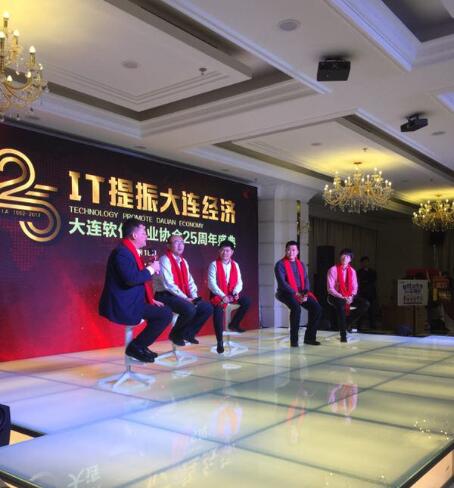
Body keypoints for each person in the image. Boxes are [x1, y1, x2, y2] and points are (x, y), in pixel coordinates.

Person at [99, 218, 173, 363]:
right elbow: (131, 279)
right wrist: (151, 269)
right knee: (164, 314)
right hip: (124, 305)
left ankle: (140, 346)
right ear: (134, 235)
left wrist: (150, 299)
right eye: (144, 233)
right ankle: (137, 346)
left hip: (133, 301)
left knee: (164, 312)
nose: (147, 236)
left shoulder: (129, 251)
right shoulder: (122, 252)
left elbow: (136, 279)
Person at [154, 235, 213, 346]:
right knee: (189, 308)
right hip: (164, 295)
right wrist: (186, 298)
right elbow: (168, 284)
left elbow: (190, 281)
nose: (180, 245)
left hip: (180, 295)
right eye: (176, 242)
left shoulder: (183, 261)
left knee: (207, 307)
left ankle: (188, 333)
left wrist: (194, 296)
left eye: (182, 242)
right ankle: (175, 335)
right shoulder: (164, 260)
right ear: (168, 246)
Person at [274, 241, 322, 347]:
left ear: (297, 252)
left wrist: (305, 293)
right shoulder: (280, 264)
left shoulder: (301, 264)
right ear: (285, 251)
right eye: (288, 250)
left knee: (317, 308)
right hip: (285, 293)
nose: (291, 252)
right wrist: (296, 294)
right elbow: (282, 283)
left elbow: (305, 279)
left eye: (293, 250)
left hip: (301, 292)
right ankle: (294, 341)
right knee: (296, 308)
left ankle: (309, 338)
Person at [208, 240, 251, 354]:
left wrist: (236, 292)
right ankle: (219, 341)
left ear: (232, 252)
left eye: (227, 250)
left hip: (231, 294)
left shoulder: (235, 265)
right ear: (219, 251)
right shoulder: (213, 264)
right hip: (218, 295)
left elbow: (239, 282)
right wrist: (223, 296)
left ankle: (234, 324)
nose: (224, 253)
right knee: (218, 312)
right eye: (222, 250)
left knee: (247, 301)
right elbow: (212, 284)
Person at [327, 248, 369, 343]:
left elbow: (355, 287)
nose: (345, 258)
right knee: (341, 305)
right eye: (343, 255)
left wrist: (351, 296)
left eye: (347, 256)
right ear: (340, 257)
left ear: (350, 259)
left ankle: (347, 322)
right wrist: (343, 297)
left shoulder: (352, 271)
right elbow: (330, 289)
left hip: (348, 295)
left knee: (365, 304)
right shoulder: (333, 269)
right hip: (335, 295)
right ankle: (343, 335)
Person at [357, 256, 377, 329]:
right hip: (362, 293)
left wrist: (366, 281)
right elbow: (359, 281)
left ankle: (372, 325)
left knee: (371, 310)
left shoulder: (372, 271)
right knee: (361, 309)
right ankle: (359, 325)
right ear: (361, 263)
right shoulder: (359, 272)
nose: (365, 263)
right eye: (363, 262)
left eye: (366, 262)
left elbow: (373, 280)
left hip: (370, 293)